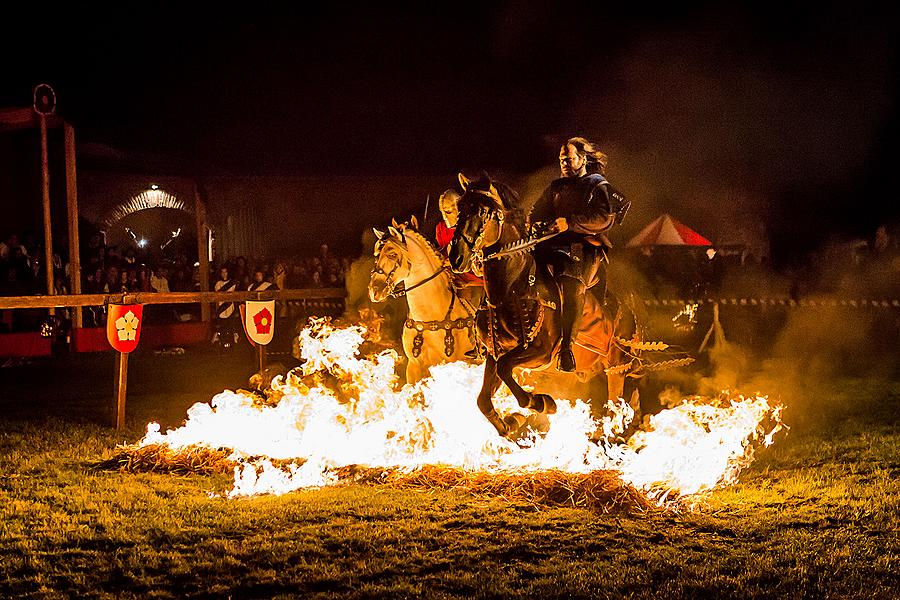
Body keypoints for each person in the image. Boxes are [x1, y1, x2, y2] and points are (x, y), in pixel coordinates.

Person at [529, 136, 630, 372]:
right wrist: (534, 223)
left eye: (569, 158)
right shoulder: (556, 187)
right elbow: (536, 211)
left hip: (584, 247)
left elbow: (604, 218)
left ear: (582, 159)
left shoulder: (597, 185)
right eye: (562, 159)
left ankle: (566, 349)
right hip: (552, 245)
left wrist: (570, 223)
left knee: (571, 281)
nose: (564, 163)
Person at [435, 188, 484, 307]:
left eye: (450, 210)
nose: (453, 213)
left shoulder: (471, 223)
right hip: (454, 278)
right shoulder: (441, 228)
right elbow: (444, 251)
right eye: (446, 211)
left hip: (476, 279)